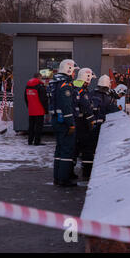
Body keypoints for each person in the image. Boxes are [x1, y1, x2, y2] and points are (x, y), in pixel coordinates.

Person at [48, 59, 80, 187]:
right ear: (69, 70)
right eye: (73, 72)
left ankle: (57, 177)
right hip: (64, 122)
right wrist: (71, 123)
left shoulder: (54, 82)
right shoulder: (65, 85)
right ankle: (64, 179)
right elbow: (67, 106)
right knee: (67, 150)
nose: (74, 75)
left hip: (56, 119)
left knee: (59, 149)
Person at [73, 68, 97, 180]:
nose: (90, 82)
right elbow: (85, 106)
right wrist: (92, 120)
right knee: (87, 147)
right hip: (82, 123)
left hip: (76, 121)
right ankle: (87, 172)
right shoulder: (81, 90)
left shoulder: (75, 86)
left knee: (75, 148)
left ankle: (69, 171)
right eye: (90, 79)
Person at [24, 73, 48, 145]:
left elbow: (26, 98)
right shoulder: (40, 87)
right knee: (38, 127)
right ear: (39, 77)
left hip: (31, 110)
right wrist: (46, 110)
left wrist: (29, 106)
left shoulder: (28, 86)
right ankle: (37, 142)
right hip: (39, 110)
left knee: (31, 126)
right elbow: (43, 100)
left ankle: (30, 141)